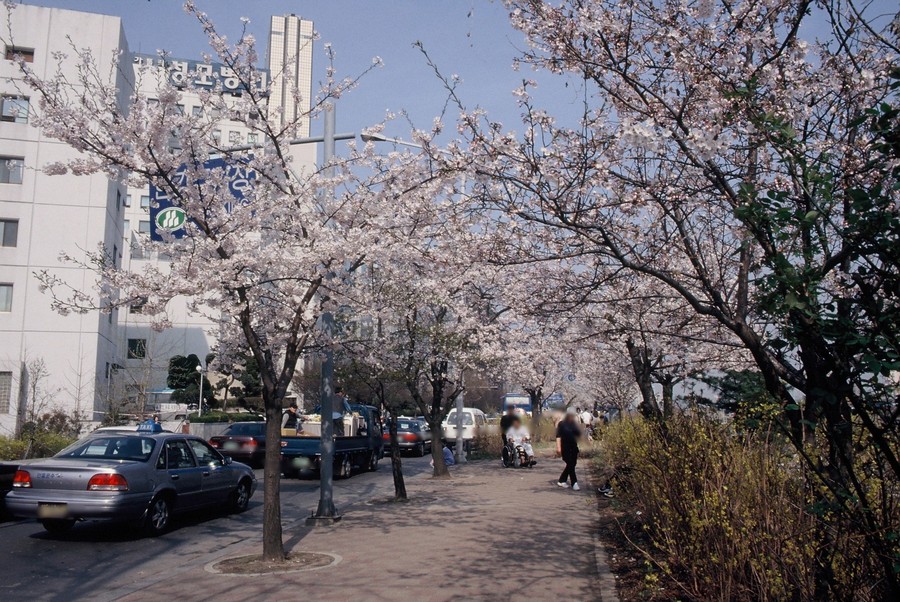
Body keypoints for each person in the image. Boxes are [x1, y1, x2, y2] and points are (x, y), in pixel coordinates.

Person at [556, 407, 581, 490]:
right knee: (570, 464)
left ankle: (562, 480)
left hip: (573, 447)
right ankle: (574, 482)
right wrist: (558, 448)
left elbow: (578, 435)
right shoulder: (562, 424)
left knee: (573, 464)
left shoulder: (574, 424)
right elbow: (558, 436)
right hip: (565, 447)